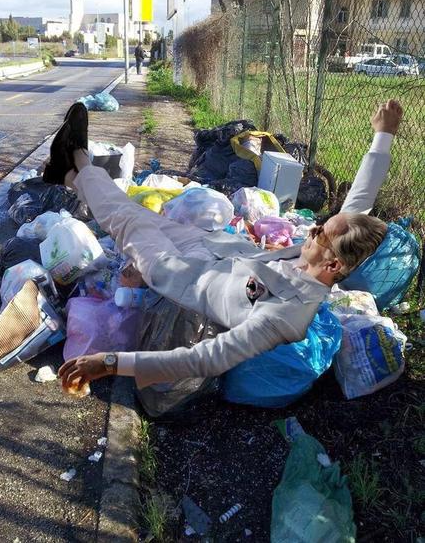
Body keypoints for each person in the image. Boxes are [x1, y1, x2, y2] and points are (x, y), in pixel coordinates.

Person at [58, 100, 403, 391]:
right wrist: (384, 134)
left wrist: (109, 362)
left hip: (180, 272)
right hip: (211, 246)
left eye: (319, 234)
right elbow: (358, 204)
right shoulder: (327, 252)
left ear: (332, 267)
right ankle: (69, 176)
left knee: (126, 220)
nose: (311, 230)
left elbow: (203, 359)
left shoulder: (286, 317)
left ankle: (78, 156)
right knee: (133, 212)